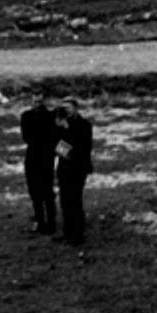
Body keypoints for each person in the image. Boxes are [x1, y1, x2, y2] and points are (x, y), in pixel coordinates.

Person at [53, 96, 95, 244]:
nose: (66, 111)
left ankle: (77, 235)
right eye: (63, 108)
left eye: (68, 108)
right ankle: (67, 233)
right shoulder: (62, 125)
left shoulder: (84, 125)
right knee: (65, 201)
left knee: (75, 202)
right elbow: (56, 146)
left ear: (75, 108)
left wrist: (66, 132)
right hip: (64, 168)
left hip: (78, 168)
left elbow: (81, 148)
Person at [18, 95, 59, 234]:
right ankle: (40, 221)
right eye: (35, 101)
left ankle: (51, 223)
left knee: (47, 191)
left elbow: (54, 136)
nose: (38, 104)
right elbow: (27, 137)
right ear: (31, 102)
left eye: (40, 101)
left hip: (46, 157)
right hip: (33, 157)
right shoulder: (27, 116)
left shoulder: (51, 115)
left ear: (45, 101)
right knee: (34, 190)